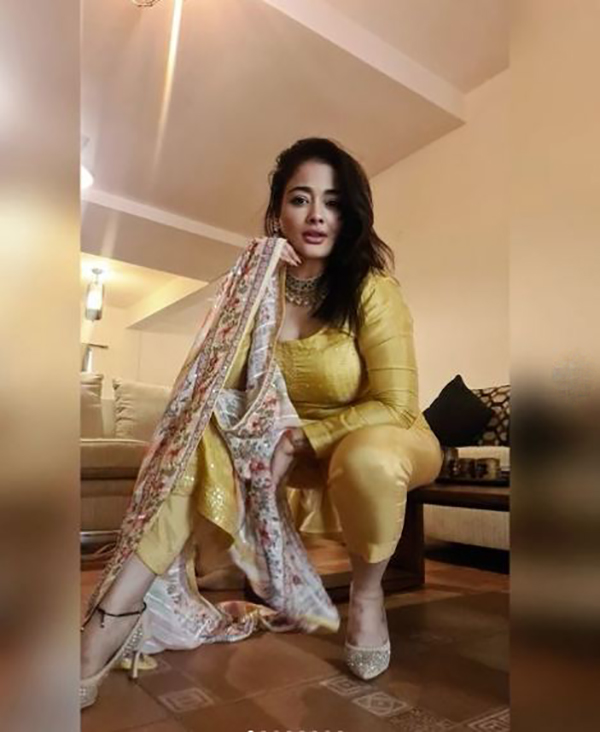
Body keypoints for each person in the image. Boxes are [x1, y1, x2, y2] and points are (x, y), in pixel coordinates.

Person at [80, 137, 443, 708]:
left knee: (367, 455)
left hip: (385, 436)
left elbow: (396, 404)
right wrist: (251, 287)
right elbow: (215, 390)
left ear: (351, 214)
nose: (317, 215)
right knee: (197, 429)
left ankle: (368, 595)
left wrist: (301, 438)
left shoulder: (372, 289)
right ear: (278, 212)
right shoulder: (257, 288)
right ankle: (112, 614)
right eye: (301, 199)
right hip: (286, 446)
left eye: (333, 202)